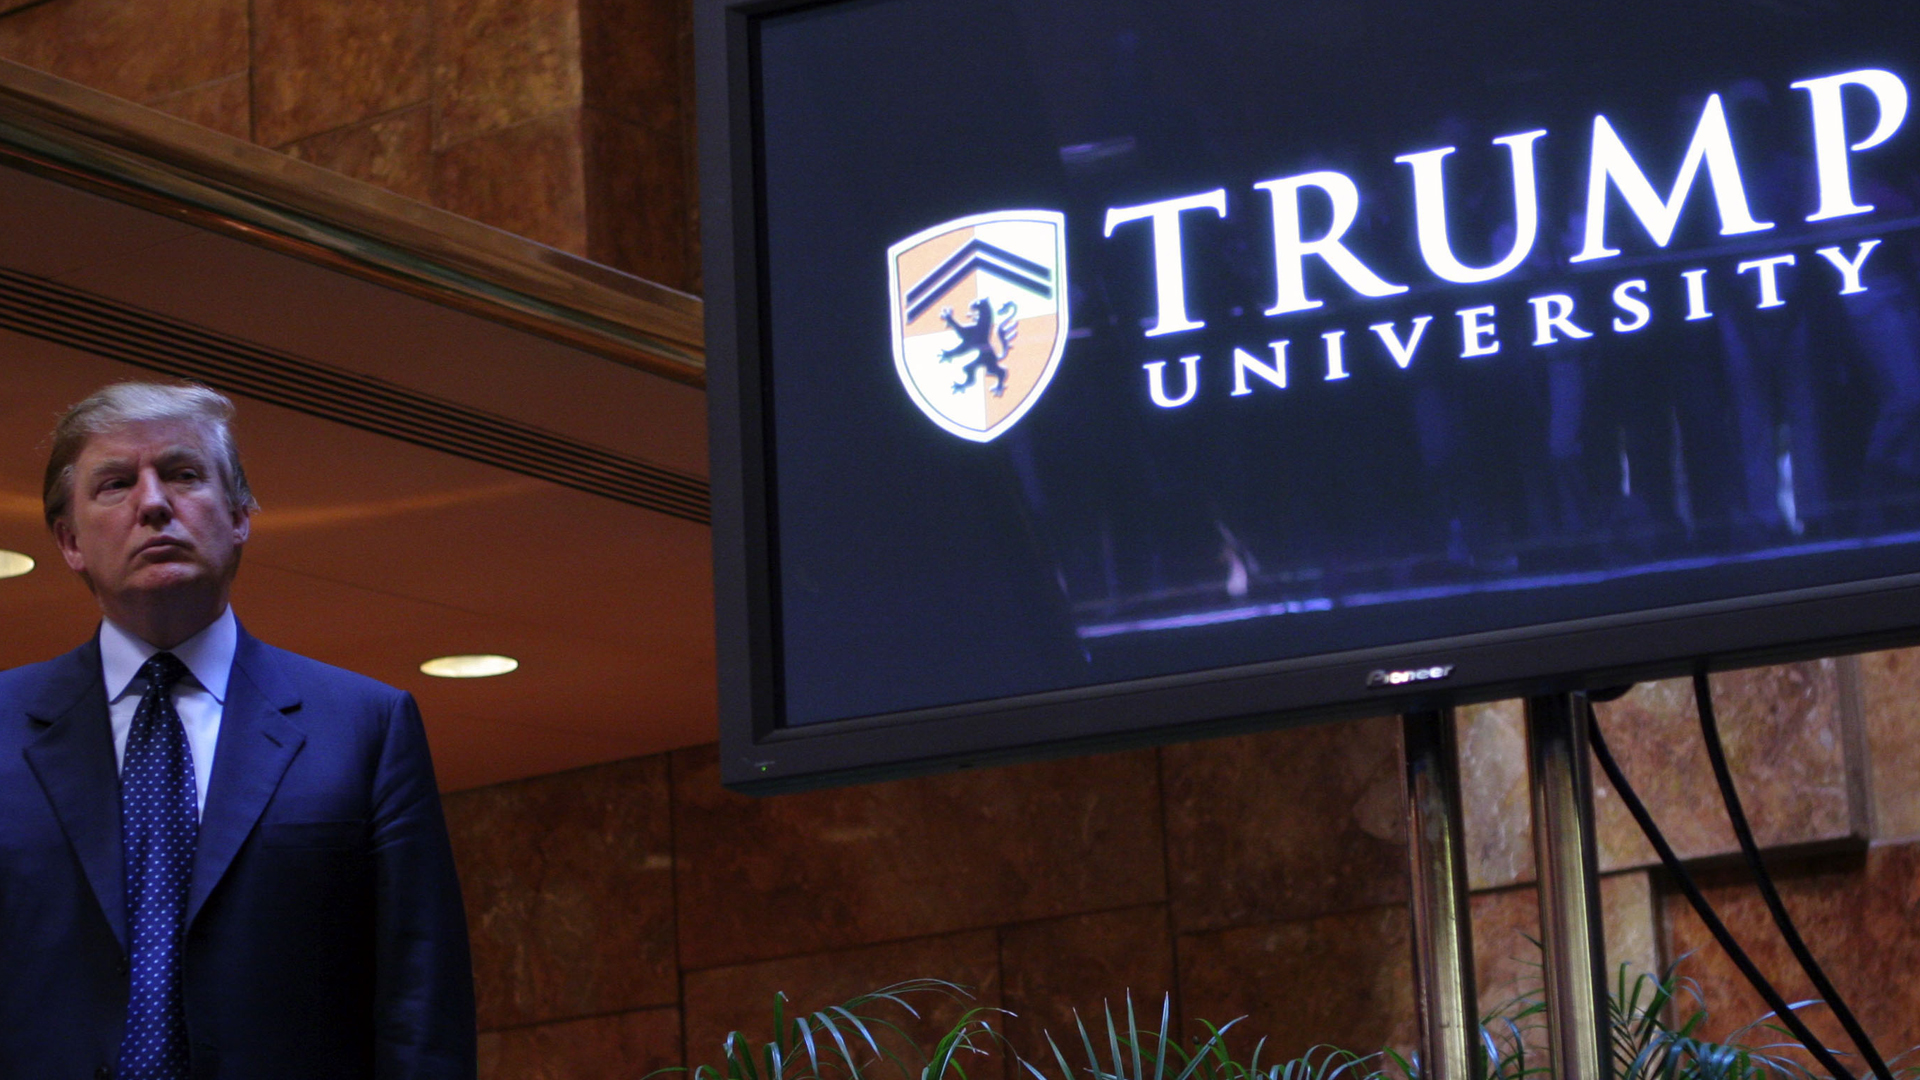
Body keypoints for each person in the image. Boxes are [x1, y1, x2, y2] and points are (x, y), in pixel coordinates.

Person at [0, 382, 476, 1078]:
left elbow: (421, 1007)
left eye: (184, 474)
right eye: (116, 484)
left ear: (240, 515)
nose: (154, 502)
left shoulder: (366, 728)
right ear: (70, 541)